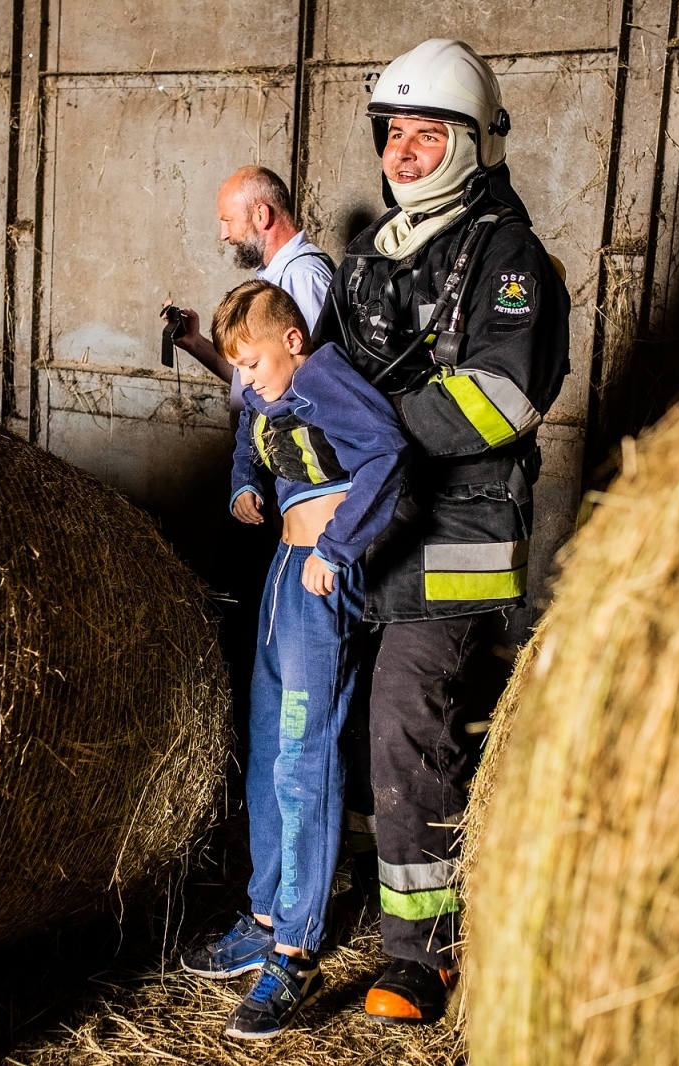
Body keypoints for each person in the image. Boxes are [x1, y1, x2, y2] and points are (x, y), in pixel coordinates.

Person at [308, 38, 572, 1024]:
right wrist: (300, 477)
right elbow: (318, 388)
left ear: (474, 141)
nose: (404, 151)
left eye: (427, 134)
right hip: (369, 529)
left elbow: (504, 396)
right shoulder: (369, 260)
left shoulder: (508, 256)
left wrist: (374, 436)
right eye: (394, 133)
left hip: (453, 539)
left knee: (407, 715)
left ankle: (427, 950)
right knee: (353, 727)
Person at [178, 280, 406, 1041]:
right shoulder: (270, 389)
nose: (245, 379)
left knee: (305, 759)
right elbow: (251, 429)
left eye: (253, 361)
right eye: (236, 367)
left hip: (320, 577)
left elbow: (386, 450)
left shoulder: (324, 375)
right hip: (283, 572)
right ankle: (265, 911)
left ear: (294, 341)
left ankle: (296, 950)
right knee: (270, 747)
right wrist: (246, 480)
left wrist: (339, 549)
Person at [164, 166, 334, 412]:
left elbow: (316, 388)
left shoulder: (301, 278)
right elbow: (253, 378)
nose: (223, 235)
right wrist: (194, 342)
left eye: (228, 221)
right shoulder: (281, 276)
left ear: (261, 215)